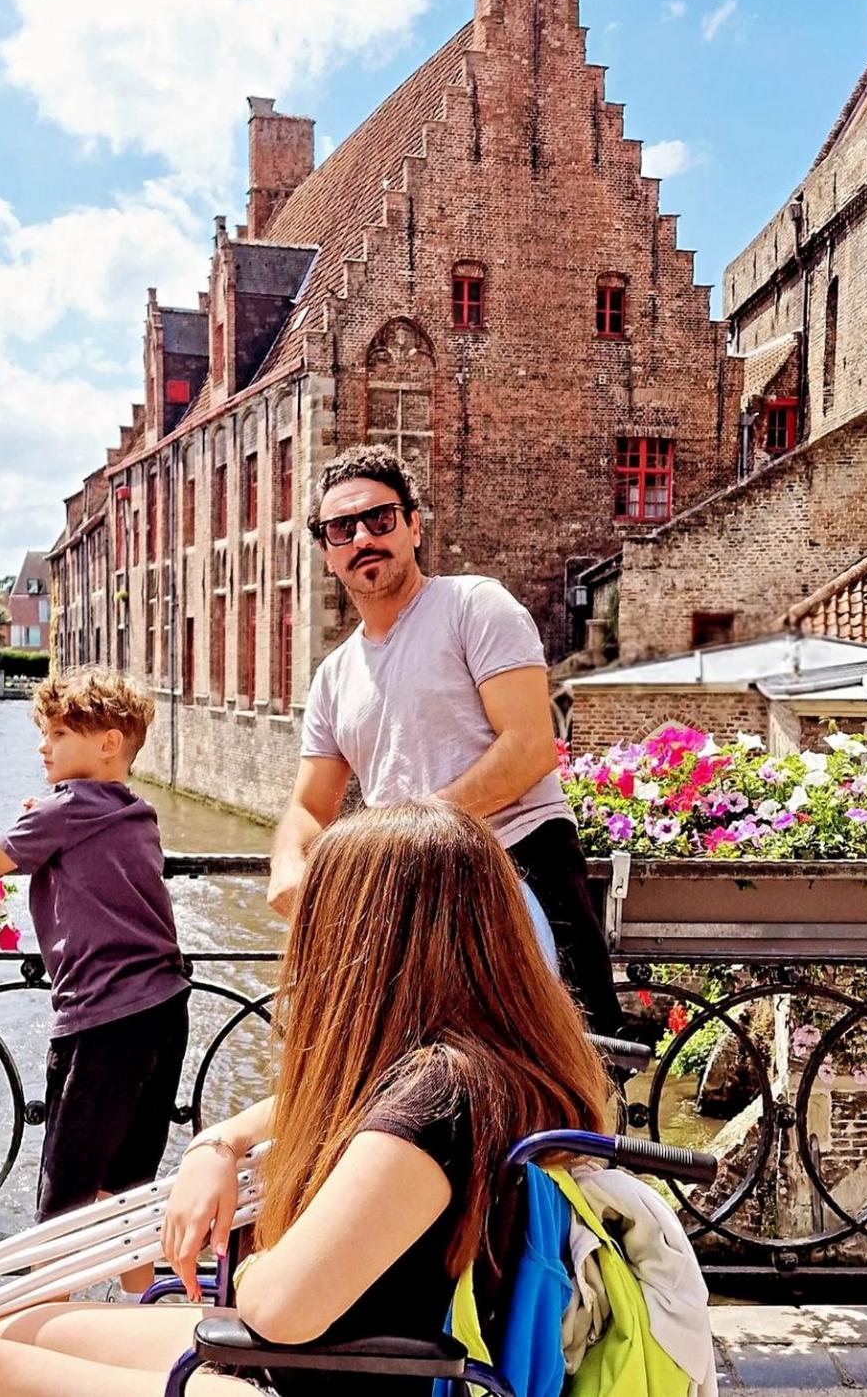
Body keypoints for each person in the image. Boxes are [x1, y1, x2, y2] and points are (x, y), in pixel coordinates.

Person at [0, 799, 608, 1397]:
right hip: (327, 1361)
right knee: (6, 1326)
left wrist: (250, 1254)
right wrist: (220, 1144)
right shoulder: (482, 1066)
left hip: (315, 1374)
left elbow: (280, 1308)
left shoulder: (434, 1106)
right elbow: (335, 1110)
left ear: (363, 942)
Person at [267, 445, 623, 1040]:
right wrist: (287, 861)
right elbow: (309, 805)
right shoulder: (333, 675)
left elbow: (529, 747)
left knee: (566, 1073)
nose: (363, 538)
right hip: (408, 893)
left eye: (380, 518)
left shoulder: (473, 606)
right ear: (327, 553)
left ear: (413, 525)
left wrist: (408, 833)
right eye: (341, 529)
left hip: (513, 864)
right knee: (416, 1070)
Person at [0, 668, 191, 1298]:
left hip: (103, 1018)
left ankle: (41, 1321)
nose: (42, 746)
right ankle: (140, 1306)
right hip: (165, 1005)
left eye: (57, 733)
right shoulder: (137, 811)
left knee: (64, 1193)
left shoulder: (65, 809)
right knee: (129, 1185)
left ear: (109, 743)